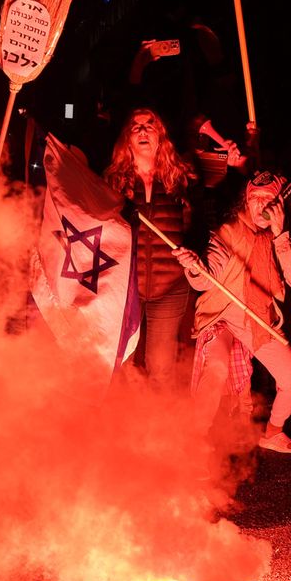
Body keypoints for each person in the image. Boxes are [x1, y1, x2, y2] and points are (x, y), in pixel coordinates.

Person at [173, 171, 291, 453]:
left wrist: (281, 234)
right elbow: (204, 277)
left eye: (268, 199)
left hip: (258, 319)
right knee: (218, 366)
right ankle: (194, 438)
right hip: (221, 316)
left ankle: (272, 433)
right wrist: (193, 266)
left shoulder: (281, 235)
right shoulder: (229, 232)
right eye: (254, 199)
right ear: (245, 202)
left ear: (281, 203)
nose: (261, 206)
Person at [104, 109, 198, 393]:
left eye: (150, 125)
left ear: (161, 136)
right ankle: (125, 427)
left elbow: (201, 226)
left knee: (161, 367)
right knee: (123, 363)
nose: (143, 131)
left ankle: (158, 431)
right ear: (127, 139)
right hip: (125, 288)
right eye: (136, 127)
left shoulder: (182, 178)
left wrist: (193, 253)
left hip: (170, 287)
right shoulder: (112, 181)